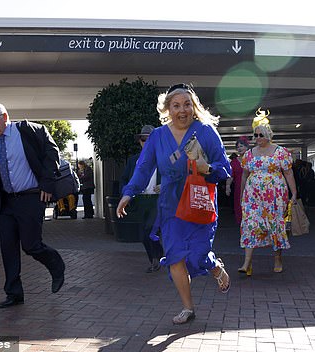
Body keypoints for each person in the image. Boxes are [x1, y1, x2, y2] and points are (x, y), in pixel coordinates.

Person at [116, 83, 231, 325]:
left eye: (187, 104)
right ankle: (188, 308)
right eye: (176, 105)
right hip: (171, 206)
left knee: (198, 255)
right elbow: (144, 168)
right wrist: (129, 193)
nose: (182, 110)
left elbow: (224, 169)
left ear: (194, 107)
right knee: (176, 256)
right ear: (167, 109)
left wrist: (207, 168)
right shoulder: (157, 136)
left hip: (200, 203)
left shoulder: (206, 131)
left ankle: (214, 266)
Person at [0, 102, 66, 308]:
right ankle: (14, 293)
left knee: (31, 245)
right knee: (8, 247)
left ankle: (56, 264)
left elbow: (52, 153)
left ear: (5, 117)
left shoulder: (29, 130)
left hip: (30, 198)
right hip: (6, 202)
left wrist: (47, 182)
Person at [238, 108, 297, 276]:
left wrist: (294, 193)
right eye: (255, 135)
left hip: (275, 196)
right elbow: (244, 176)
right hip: (252, 197)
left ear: (268, 135)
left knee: (275, 225)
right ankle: (246, 263)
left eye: (260, 135)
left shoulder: (280, 152)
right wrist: (242, 195)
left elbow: (288, 173)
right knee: (250, 224)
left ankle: (278, 259)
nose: (257, 138)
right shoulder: (249, 154)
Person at [120, 125, 164, 273]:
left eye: (149, 139)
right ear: (140, 141)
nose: (146, 142)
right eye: (143, 139)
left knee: (149, 231)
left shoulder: (164, 159)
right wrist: (126, 195)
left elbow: (176, 176)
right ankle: (156, 257)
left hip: (157, 201)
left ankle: (156, 260)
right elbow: (125, 179)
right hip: (140, 201)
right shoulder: (133, 161)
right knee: (144, 236)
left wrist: (164, 185)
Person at [225, 136, 250, 225]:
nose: (239, 148)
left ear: (247, 147)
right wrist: (227, 186)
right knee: (240, 212)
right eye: (238, 147)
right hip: (239, 190)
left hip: (253, 189)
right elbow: (230, 176)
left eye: (241, 146)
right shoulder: (234, 162)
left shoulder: (252, 159)